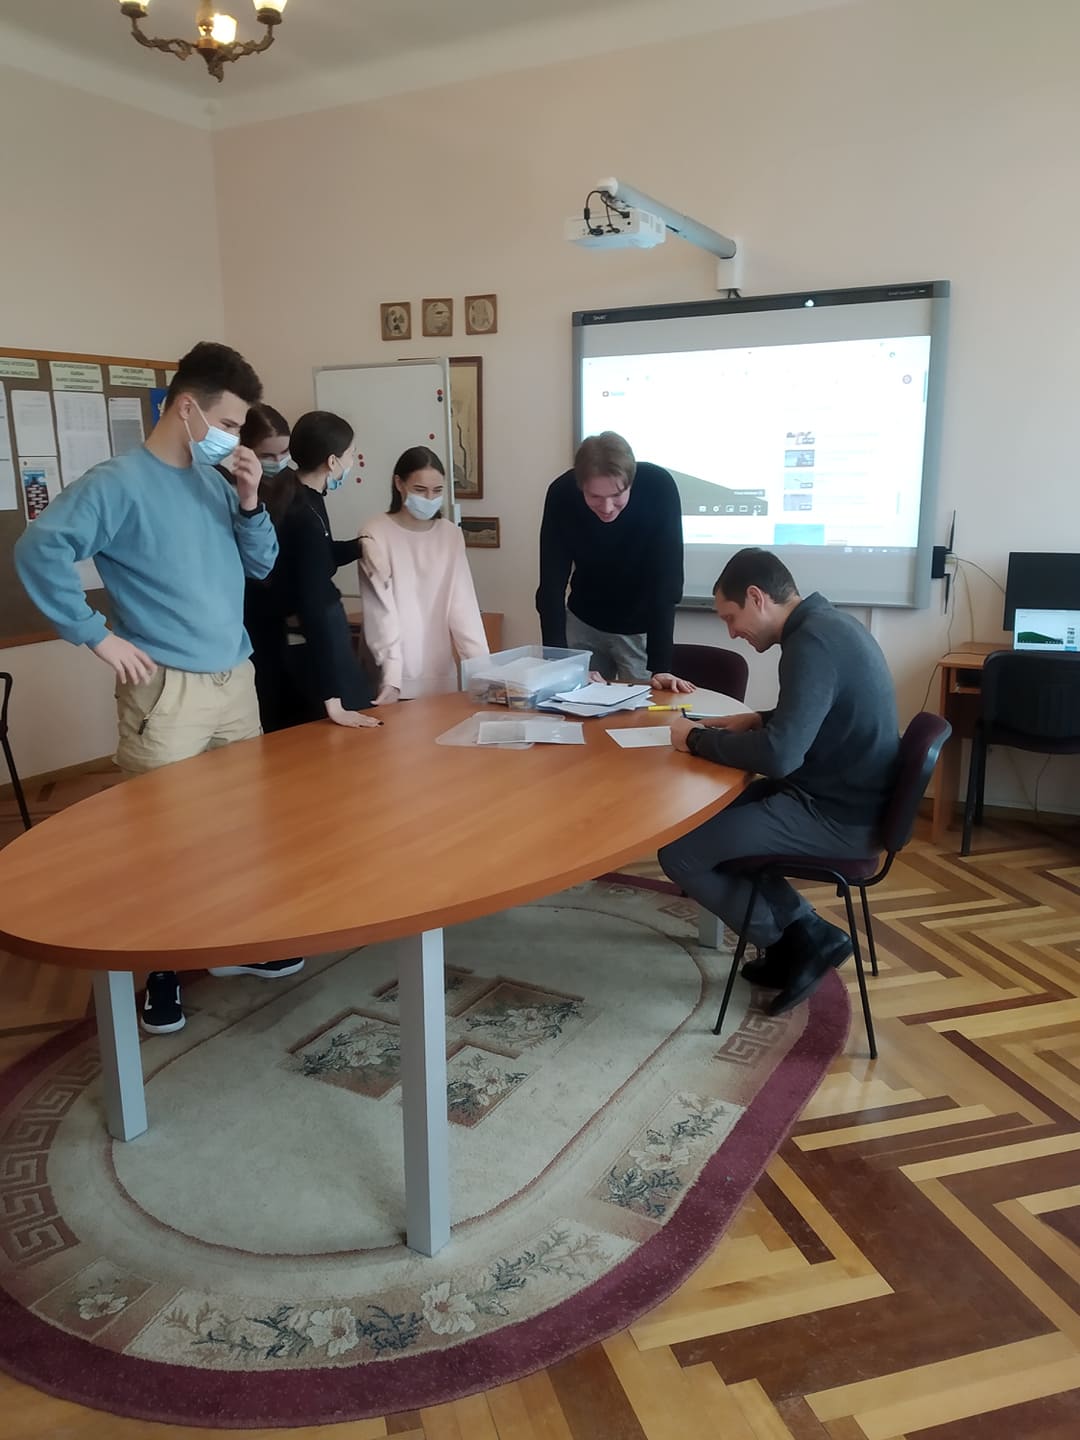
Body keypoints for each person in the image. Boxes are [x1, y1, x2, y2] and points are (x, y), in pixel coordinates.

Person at [13, 340, 290, 1036]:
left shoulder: (213, 482)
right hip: (167, 691)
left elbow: (262, 565)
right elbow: (38, 548)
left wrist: (250, 501)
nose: (234, 437)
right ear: (187, 408)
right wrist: (95, 634)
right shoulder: (117, 482)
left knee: (237, 826)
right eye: (227, 422)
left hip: (234, 677)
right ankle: (160, 970)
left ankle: (233, 942)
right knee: (165, 838)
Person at [658, 548, 900, 1016]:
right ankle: (803, 933)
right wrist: (759, 719)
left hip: (835, 817)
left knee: (678, 852)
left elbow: (780, 757)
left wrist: (696, 740)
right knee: (712, 816)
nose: (732, 632)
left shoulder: (810, 645)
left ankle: (795, 941)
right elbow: (821, 717)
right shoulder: (832, 625)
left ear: (757, 597)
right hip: (846, 797)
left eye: (731, 618)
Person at [535, 431, 692, 691]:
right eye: (595, 497)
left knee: (642, 709)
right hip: (583, 621)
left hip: (640, 627)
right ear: (580, 485)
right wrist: (560, 664)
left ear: (631, 482)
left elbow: (667, 582)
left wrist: (661, 666)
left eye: (617, 495)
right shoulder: (561, 494)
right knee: (574, 701)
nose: (607, 507)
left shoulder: (658, 488)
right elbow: (550, 587)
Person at [259, 410, 381, 730]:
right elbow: (312, 600)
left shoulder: (303, 494)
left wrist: (359, 546)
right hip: (314, 642)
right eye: (350, 455)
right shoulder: (301, 511)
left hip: (313, 634)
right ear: (332, 461)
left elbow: (318, 557)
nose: (352, 461)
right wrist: (333, 698)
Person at [358, 447, 488, 701]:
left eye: (437, 491)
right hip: (392, 679)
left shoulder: (450, 535)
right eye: (420, 490)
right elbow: (380, 612)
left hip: (441, 677)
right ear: (399, 483)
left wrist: (483, 673)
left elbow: (464, 608)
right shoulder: (375, 532)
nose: (429, 498)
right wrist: (392, 677)